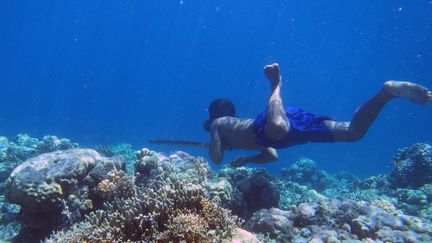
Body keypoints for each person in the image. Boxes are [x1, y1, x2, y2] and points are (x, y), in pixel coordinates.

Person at [203, 63, 432, 167]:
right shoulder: (231, 124)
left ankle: (276, 84)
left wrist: (218, 143)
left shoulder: (219, 123)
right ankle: (386, 94)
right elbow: (273, 155)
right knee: (354, 132)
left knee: (277, 129)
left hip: (271, 126)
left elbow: (216, 158)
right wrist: (248, 160)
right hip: (286, 129)